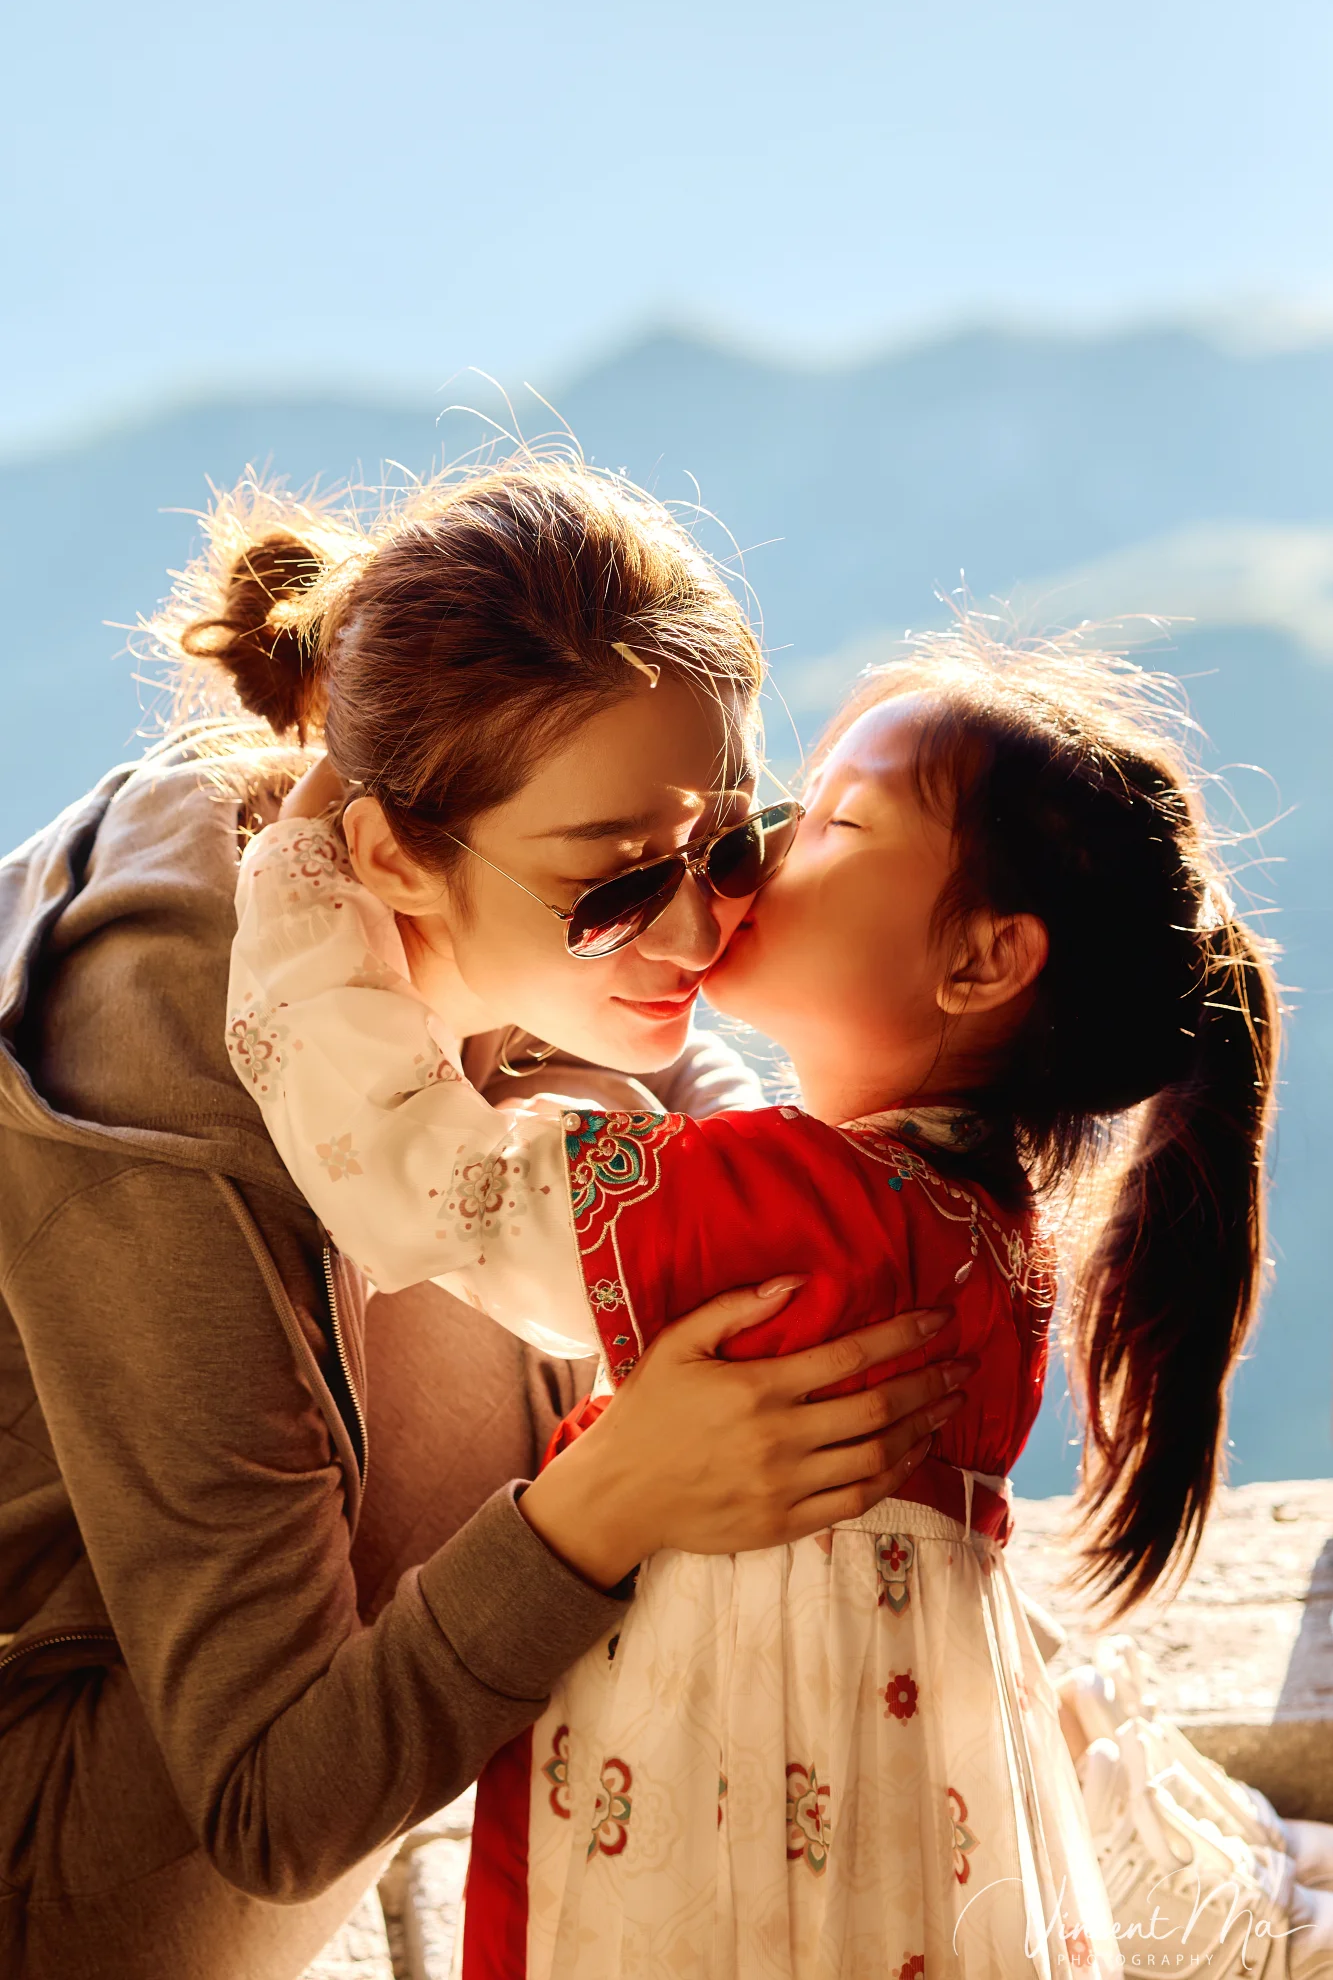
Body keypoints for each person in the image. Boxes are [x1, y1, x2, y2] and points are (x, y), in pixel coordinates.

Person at [0, 462, 958, 1980]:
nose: (702, 931)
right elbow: (262, 1809)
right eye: (617, 889)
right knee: (598, 1298)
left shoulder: (362, 866)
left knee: (630, 1228)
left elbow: (673, 1092)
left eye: (728, 849)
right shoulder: (174, 1123)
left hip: (169, 1665)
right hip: (64, 1852)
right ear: (390, 856)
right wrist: (610, 1505)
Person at [228, 621, 1285, 1976]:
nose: (763, 848)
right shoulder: (975, 1227)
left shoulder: (789, 1213)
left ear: (981, 963)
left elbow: (418, 1175)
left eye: (838, 820)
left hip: (720, 1853)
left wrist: (303, 875)